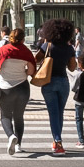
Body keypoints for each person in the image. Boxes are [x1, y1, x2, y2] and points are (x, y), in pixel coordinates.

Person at [0, 27, 37, 155]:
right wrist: (24, 72)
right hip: (22, 87)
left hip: (6, 88)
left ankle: (11, 136)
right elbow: (31, 70)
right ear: (22, 39)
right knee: (19, 116)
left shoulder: (2, 51)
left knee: (5, 115)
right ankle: (18, 145)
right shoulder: (26, 51)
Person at [34, 19, 78, 155]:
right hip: (63, 81)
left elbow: (36, 59)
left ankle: (58, 142)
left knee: (53, 112)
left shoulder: (47, 46)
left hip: (48, 81)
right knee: (60, 112)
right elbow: (72, 67)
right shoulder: (69, 48)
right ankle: (57, 140)